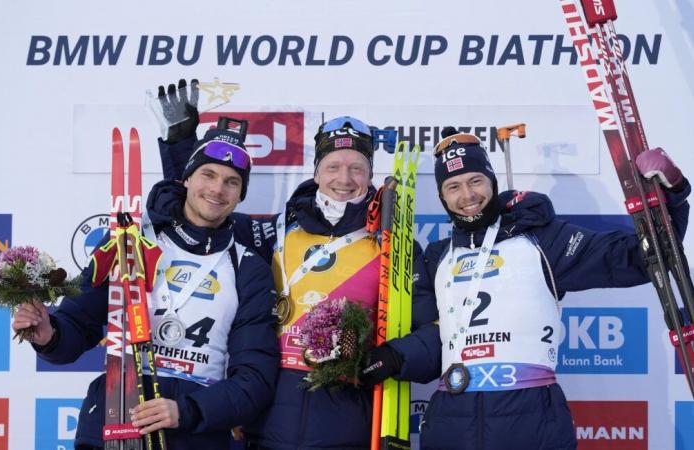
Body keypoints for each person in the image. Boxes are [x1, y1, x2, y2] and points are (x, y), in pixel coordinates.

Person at [156, 95, 439, 448]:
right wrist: (182, 150)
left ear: (370, 175)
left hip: (347, 425)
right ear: (317, 172)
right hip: (266, 422)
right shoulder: (273, 232)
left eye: (357, 168)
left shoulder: (394, 245)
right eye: (333, 166)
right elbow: (202, 211)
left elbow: (435, 335)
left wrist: (395, 357)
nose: (345, 179)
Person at [404, 127, 690, 450]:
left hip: (531, 424)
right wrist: (389, 357)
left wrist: (673, 195)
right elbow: (431, 343)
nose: (467, 196)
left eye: (475, 181)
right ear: (442, 196)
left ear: (492, 182)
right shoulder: (437, 257)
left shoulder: (540, 239)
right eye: (453, 186)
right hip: (451, 427)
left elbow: (639, 257)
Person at [12, 118, 280, 450]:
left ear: (241, 195)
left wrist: (189, 410)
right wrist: (50, 335)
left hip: (195, 434)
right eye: (207, 175)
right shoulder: (130, 242)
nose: (217, 189)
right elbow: (78, 323)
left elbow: (254, 380)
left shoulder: (248, 268)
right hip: (114, 420)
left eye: (232, 182)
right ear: (186, 178)